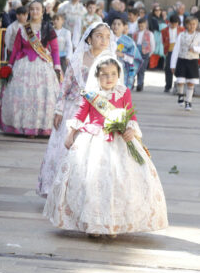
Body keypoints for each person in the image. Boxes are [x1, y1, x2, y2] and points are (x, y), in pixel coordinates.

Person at [44, 53, 168, 237]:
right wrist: (71, 133)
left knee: (117, 182)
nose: (108, 78)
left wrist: (131, 129)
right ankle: (94, 224)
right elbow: (80, 114)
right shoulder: (91, 95)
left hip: (118, 141)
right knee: (93, 182)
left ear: (119, 76)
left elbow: (130, 115)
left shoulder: (123, 92)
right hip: (94, 141)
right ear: (97, 76)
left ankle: (113, 224)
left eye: (112, 74)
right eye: (104, 74)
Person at [37, 23, 114, 198]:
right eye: (99, 36)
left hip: (96, 112)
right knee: (64, 149)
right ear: (89, 38)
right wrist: (59, 110)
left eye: (107, 36)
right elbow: (65, 86)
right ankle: (58, 190)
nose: (103, 40)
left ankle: (81, 192)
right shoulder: (78, 58)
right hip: (73, 109)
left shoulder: (110, 61)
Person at [0, 1, 61, 137]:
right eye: (32, 9)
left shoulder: (48, 28)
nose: (35, 12)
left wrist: (57, 66)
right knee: (21, 96)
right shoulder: (23, 28)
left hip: (43, 66)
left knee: (41, 96)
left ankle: (40, 127)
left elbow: (55, 50)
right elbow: (16, 49)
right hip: (23, 65)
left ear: (43, 11)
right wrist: (9, 65)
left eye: (38, 9)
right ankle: (22, 126)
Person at [170, 16, 200, 111]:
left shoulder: (198, 35)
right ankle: (180, 95)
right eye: (190, 24)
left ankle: (188, 101)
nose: (192, 26)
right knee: (180, 81)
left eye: (194, 24)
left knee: (191, 83)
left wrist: (195, 49)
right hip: (182, 60)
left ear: (197, 25)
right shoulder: (181, 35)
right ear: (186, 25)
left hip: (193, 61)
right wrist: (173, 65)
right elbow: (176, 50)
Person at [110, 17, 142, 88]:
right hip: (108, 68)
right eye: (114, 24)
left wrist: (122, 55)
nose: (116, 26)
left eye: (119, 24)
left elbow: (133, 58)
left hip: (122, 69)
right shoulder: (107, 38)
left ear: (124, 27)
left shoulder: (129, 41)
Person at [161, 14, 184, 93]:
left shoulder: (182, 30)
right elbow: (163, 41)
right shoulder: (164, 31)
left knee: (180, 68)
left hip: (179, 51)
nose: (174, 25)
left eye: (176, 23)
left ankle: (178, 85)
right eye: (173, 23)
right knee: (168, 68)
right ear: (169, 22)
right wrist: (166, 51)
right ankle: (168, 86)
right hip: (169, 50)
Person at [132, 17, 155, 92]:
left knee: (142, 70)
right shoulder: (135, 33)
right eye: (139, 26)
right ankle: (131, 83)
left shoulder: (149, 34)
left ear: (146, 25)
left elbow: (152, 44)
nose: (140, 27)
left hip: (145, 53)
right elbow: (133, 43)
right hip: (136, 52)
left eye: (142, 26)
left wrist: (150, 53)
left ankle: (140, 84)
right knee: (134, 68)